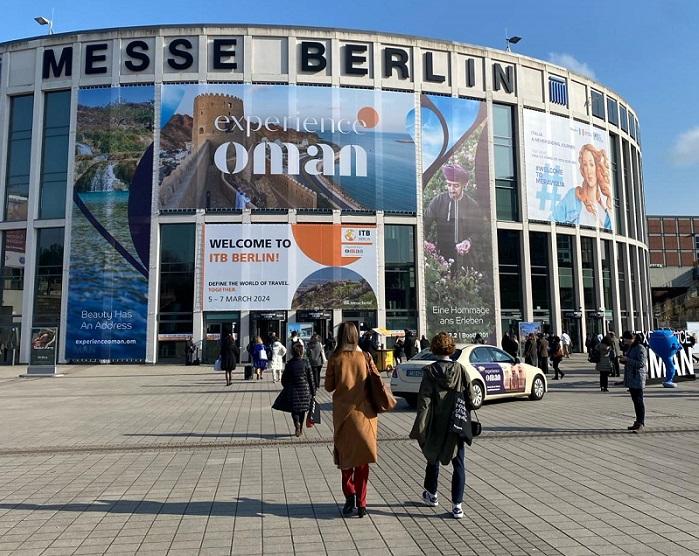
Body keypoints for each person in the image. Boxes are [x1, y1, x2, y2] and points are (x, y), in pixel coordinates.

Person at [409, 332, 470, 520]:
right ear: (451, 348)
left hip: (436, 422)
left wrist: (420, 426)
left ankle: (432, 494)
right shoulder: (460, 369)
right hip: (455, 423)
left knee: (432, 456)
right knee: (458, 463)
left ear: (434, 348)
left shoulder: (430, 372)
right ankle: (457, 505)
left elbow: (424, 402)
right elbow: (470, 398)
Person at [325, 322, 378, 519]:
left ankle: (349, 496)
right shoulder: (365, 356)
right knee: (362, 461)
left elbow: (329, 387)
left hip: (343, 415)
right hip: (364, 414)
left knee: (345, 459)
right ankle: (362, 503)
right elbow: (376, 379)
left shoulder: (335, 358)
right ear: (356, 335)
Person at [423, 163, 479, 266]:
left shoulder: (472, 205)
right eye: (449, 185)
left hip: (466, 260)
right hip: (442, 257)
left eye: (456, 186)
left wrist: (469, 241)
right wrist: (424, 242)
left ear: (464, 185)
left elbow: (479, 231)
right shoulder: (438, 201)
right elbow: (423, 223)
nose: (452, 189)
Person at [551, 144, 613, 230]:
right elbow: (551, 221)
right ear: (582, 169)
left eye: (591, 164)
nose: (588, 170)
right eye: (585, 165)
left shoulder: (604, 213)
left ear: (597, 168)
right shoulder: (573, 196)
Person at [281, 342, 315, 437]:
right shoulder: (306, 363)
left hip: (293, 390)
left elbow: (284, 379)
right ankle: (301, 427)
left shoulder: (289, 364)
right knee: (302, 410)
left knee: (294, 410)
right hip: (305, 390)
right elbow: (311, 378)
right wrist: (313, 391)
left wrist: (287, 387)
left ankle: (297, 425)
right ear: (302, 352)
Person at [621, 331, 648, 432]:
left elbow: (641, 363)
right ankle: (638, 421)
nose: (624, 341)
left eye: (626, 339)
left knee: (639, 401)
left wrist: (627, 360)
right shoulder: (631, 347)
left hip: (637, 378)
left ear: (633, 338)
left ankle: (641, 422)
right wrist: (623, 360)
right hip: (631, 378)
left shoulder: (640, 348)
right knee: (635, 401)